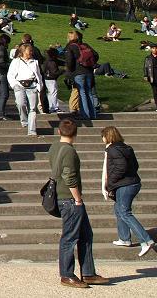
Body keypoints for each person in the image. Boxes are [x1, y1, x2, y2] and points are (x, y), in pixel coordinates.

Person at [49, 119, 109, 288]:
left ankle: (88, 273)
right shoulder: (69, 151)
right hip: (69, 199)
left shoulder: (54, 147)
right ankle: (67, 275)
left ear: (59, 132)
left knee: (86, 234)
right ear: (75, 134)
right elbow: (69, 176)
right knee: (70, 237)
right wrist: (78, 199)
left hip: (64, 197)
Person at [101, 126, 154, 256]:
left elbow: (120, 167)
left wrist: (111, 181)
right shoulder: (127, 148)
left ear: (107, 137)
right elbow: (135, 166)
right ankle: (124, 238)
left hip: (125, 185)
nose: (102, 139)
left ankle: (146, 240)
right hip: (133, 183)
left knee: (125, 212)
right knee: (118, 208)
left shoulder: (112, 149)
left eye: (103, 136)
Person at [7, 43, 44, 137]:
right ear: (23, 52)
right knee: (21, 104)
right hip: (19, 85)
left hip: (32, 86)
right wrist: (14, 85)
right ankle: (24, 120)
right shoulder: (16, 61)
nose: (31, 52)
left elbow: (39, 75)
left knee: (32, 109)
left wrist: (40, 86)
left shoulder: (35, 62)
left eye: (31, 51)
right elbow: (10, 75)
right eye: (29, 51)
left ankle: (32, 130)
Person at [65, 31, 97, 120]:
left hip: (78, 72)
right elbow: (96, 55)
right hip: (89, 72)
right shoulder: (85, 45)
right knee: (89, 93)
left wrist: (70, 72)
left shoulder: (70, 47)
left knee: (82, 93)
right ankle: (92, 114)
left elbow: (69, 61)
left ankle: (85, 114)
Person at [42, 47, 63, 114]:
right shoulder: (52, 62)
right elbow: (55, 72)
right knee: (53, 92)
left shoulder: (47, 60)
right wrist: (63, 71)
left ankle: (51, 107)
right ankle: (55, 107)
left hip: (47, 78)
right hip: (51, 79)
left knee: (50, 93)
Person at [143, 44, 157, 111]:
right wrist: (145, 75)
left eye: (156, 48)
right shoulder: (148, 58)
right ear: (151, 49)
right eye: (153, 48)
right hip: (152, 76)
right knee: (155, 92)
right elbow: (145, 67)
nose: (155, 50)